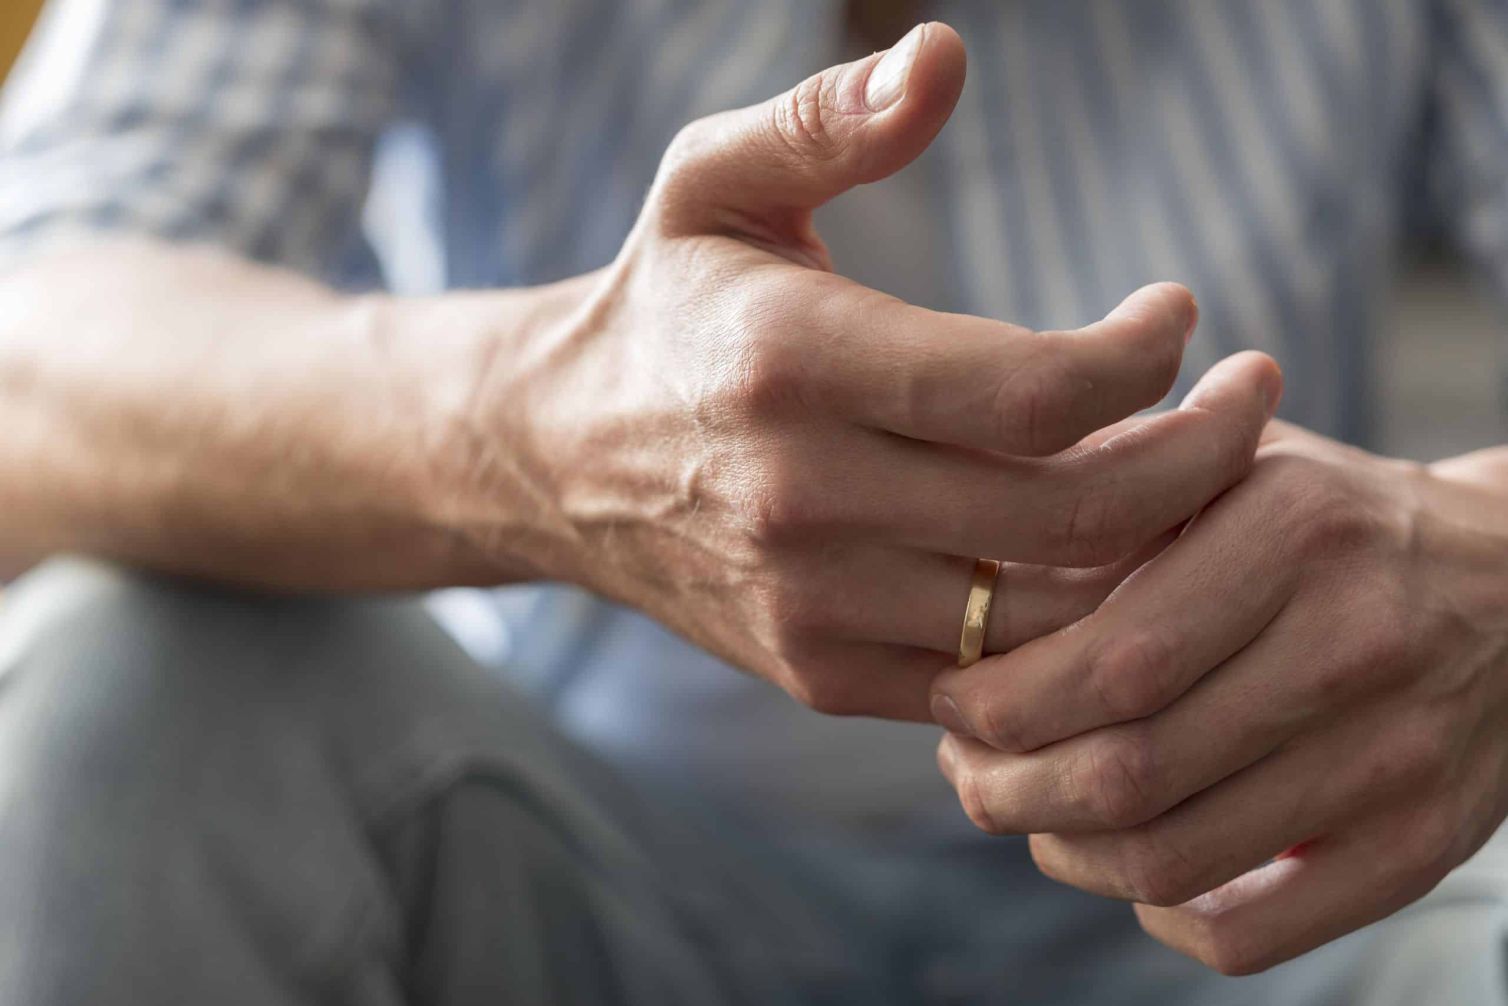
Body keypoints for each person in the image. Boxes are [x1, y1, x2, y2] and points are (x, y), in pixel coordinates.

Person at [1, 1, 1507, 1002]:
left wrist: (1482, 564)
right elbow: (35, 349)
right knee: (115, 681)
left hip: (1297, 893)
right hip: (582, 863)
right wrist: (540, 424)